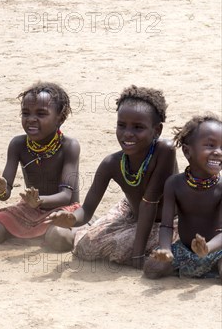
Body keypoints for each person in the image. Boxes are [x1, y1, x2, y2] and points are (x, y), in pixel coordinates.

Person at [48, 85, 177, 268]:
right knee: (87, 248)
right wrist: (72, 219)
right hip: (132, 213)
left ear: (157, 131)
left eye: (138, 127)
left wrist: (137, 256)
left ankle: (113, 236)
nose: (127, 134)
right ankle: (87, 227)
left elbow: (150, 203)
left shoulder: (165, 151)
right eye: (121, 125)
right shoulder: (111, 164)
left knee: (161, 254)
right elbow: (86, 209)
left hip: (168, 222)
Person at [0, 82, 80, 249]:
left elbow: (66, 196)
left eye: (41, 113)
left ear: (60, 118)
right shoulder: (18, 144)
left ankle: (84, 222)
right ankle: (15, 222)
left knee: (59, 239)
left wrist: (39, 201)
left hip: (63, 209)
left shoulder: (69, 146)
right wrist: (0, 190)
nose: (31, 119)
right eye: (25, 113)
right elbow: (5, 193)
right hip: (30, 209)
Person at [144, 113, 222, 278]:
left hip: (216, 250)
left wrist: (207, 248)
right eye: (210, 145)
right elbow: (166, 226)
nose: (218, 152)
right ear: (187, 151)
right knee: (152, 268)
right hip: (184, 250)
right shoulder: (174, 184)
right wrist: (165, 249)